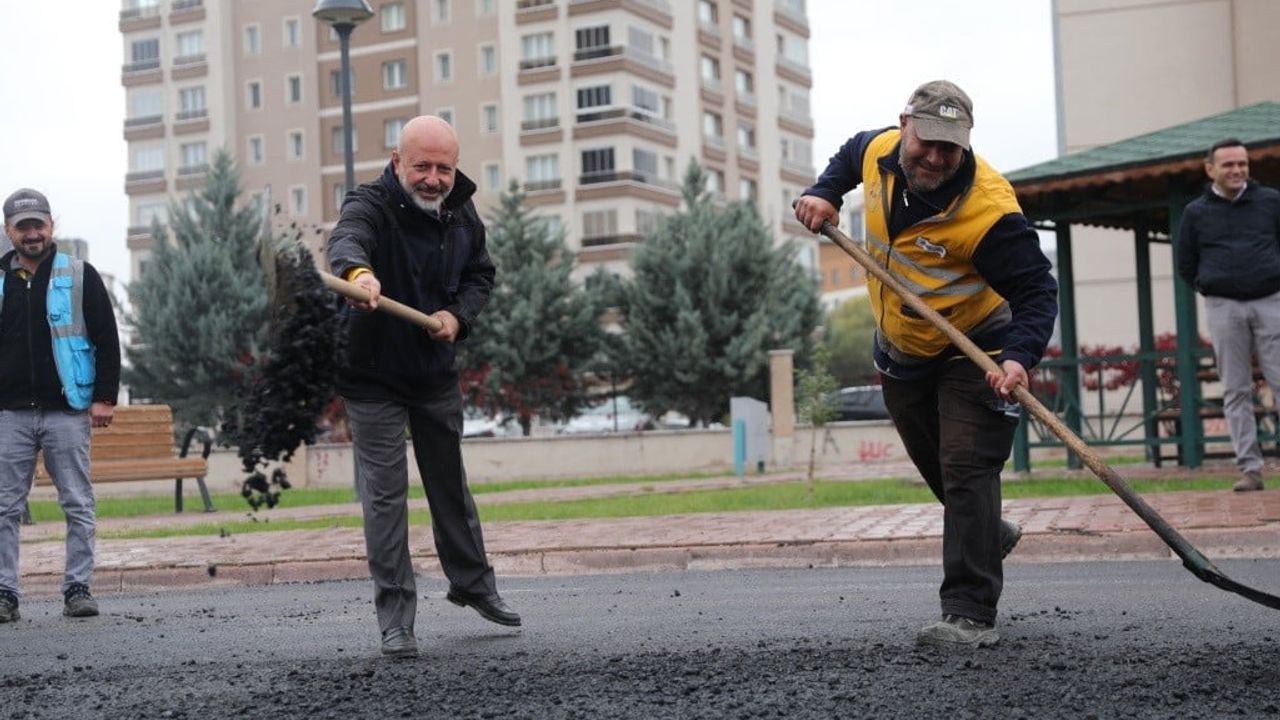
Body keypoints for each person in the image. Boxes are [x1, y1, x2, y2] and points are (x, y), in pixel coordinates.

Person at [794, 81, 1058, 648]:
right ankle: (986, 529)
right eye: (927, 142)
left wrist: (1018, 358)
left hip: (977, 345)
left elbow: (1037, 290)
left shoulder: (988, 213)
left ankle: (968, 614)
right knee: (935, 460)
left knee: (966, 464)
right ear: (904, 125)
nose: (936, 158)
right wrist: (825, 192)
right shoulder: (877, 151)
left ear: (966, 145)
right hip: (903, 347)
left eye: (951, 148)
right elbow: (848, 154)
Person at [328, 115, 517, 658]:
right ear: (396, 162)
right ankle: (396, 619)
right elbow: (347, 240)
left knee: (449, 486)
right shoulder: (371, 204)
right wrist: (359, 276)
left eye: (444, 168)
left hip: (433, 370)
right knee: (385, 499)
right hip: (372, 376)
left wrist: (459, 317)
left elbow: (481, 275)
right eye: (422, 166)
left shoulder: (460, 209)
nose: (434, 179)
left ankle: (473, 584)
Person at [0, 188, 121, 623]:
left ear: (52, 226)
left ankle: (77, 588)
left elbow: (106, 338)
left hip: (66, 410)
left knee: (76, 501)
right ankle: (5, 593)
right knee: (4, 506)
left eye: (39, 224)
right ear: (8, 231)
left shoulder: (79, 274)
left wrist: (105, 397)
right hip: (9, 413)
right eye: (22, 226)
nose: (32, 233)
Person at [1176, 139, 1280, 492]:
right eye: (1228, 165)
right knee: (1235, 389)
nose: (1237, 170)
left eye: (1242, 164)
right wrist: (1210, 286)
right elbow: (1185, 264)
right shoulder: (1195, 212)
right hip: (1223, 306)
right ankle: (1250, 469)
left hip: (1271, 302)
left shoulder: (1271, 202)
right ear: (1210, 169)